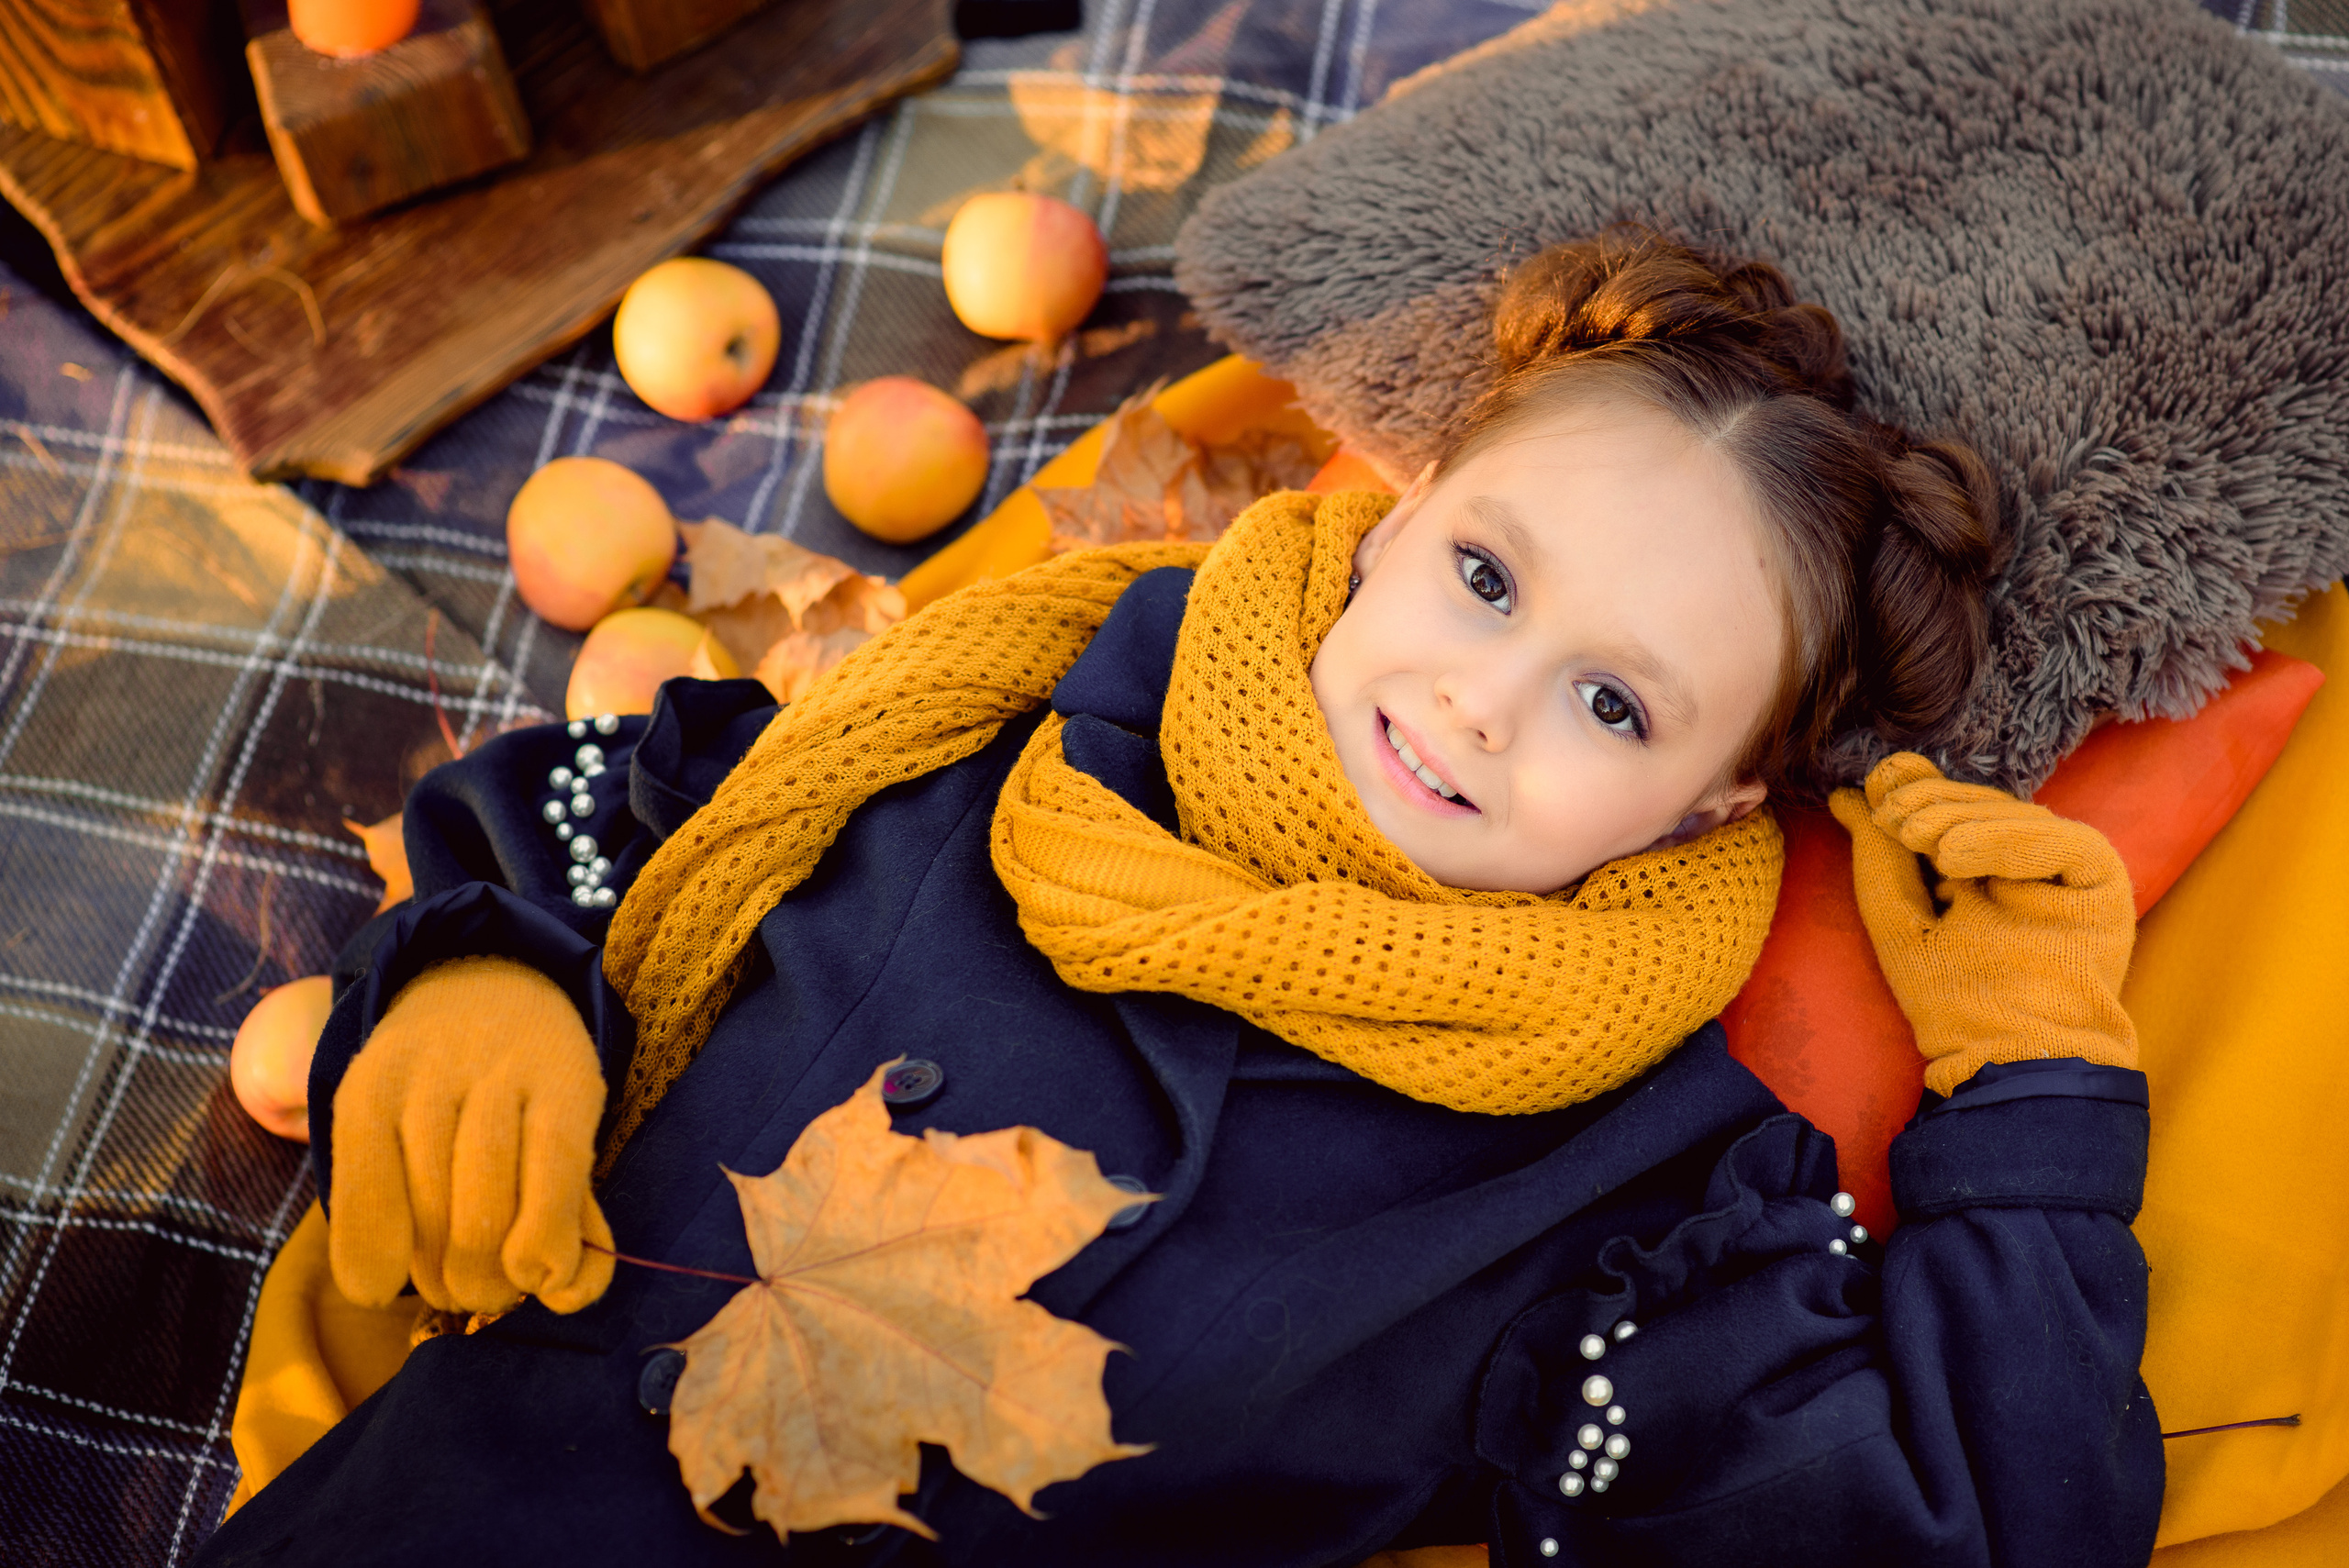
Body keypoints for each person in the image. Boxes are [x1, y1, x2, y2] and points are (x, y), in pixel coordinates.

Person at [198, 228, 2160, 1568]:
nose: (1477, 701)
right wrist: (479, 976)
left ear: (1712, 794)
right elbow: (601, 823)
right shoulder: (993, 719)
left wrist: (2036, 1084)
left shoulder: (1613, 1202)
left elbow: (1974, 1523)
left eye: (1613, 700)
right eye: (1484, 575)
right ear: (1399, 513)